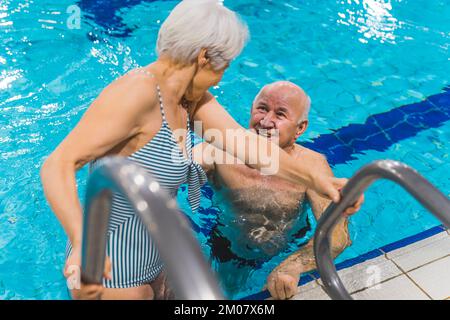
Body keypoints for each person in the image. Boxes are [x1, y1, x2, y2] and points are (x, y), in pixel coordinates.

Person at [41, 0, 350, 300]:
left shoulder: (190, 101)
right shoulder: (136, 94)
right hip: (111, 264)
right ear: (203, 57)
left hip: (157, 253)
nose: (221, 78)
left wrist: (320, 181)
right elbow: (57, 165)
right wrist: (83, 241)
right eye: (223, 68)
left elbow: (249, 147)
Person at [193, 81, 363, 299]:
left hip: (287, 245)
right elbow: (170, 171)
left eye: (280, 114)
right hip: (226, 245)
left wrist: (292, 266)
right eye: (262, 109)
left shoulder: (312, 166)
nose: (266, 121)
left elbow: (338, 236)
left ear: (300, 128)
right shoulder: (218, 150)